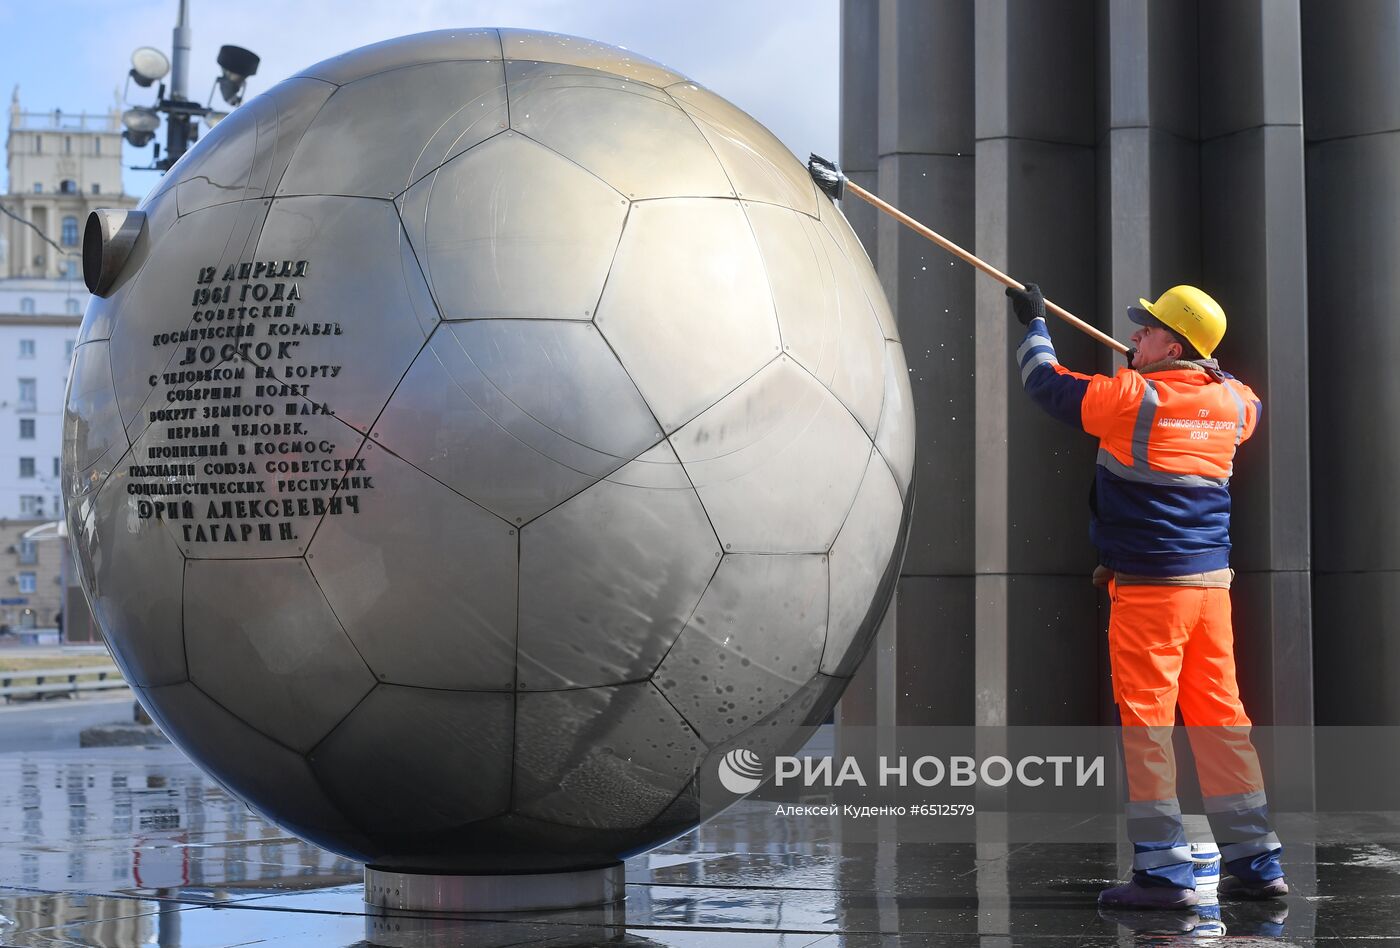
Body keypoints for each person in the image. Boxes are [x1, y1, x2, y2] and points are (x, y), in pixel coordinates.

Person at [1006, 282, 1287, 910]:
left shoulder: (1133, 397)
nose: (1134, 335)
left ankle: (1163, 877)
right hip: (1211, 592)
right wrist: (1198, 368)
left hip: (1150, 591)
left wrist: (1034, 325)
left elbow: (1047, 384)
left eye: (1148, 329)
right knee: (1221, 722)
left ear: (1175, 344)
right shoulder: (1237, 405)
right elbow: (1242, 395)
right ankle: (1258, 864)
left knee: (1148, 727)